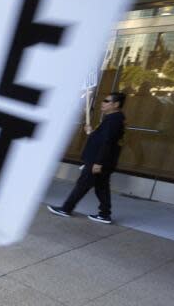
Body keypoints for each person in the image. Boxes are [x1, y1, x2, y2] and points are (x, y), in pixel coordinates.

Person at [48, 91, 126, 224]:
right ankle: (105, 214)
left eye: (107, 101)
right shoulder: (112, 119)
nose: (103, 103)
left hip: (98, 160)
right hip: (101, 160)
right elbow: (101, 139)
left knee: (82, 185)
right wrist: (91, 132)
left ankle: (67, 208)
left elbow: (108, 143)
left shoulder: (114, 120)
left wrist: (98, 162)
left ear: (116, 104)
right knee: (101, 187)